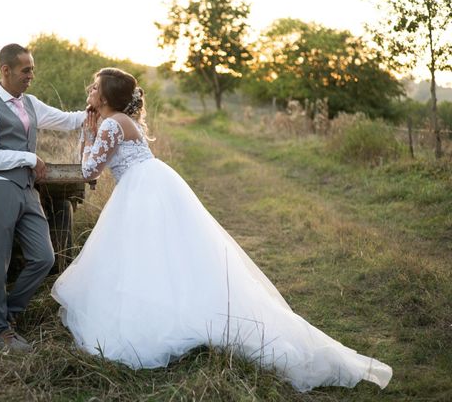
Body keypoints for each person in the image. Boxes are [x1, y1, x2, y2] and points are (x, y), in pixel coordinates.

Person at [51, 68, 393, 392]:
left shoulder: (110, 125)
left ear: (107, 95)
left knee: (146, 256)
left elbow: (89, 172)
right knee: (163, 256)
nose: (90, 91)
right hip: (153, 184)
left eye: (95, 87)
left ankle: (157, 322)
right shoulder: (122, 121)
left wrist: (88, 132)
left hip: (143, 191)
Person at [0, 43, 85, 351]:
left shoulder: (31, 103)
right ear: (5, 70)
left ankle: (8, 312)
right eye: (26, 70)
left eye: (32, 69)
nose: (31, 76)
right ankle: (1, 331)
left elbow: (67, 120)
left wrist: (98, 109)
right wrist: (29, 159)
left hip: (25, 189)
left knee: (44, 257)